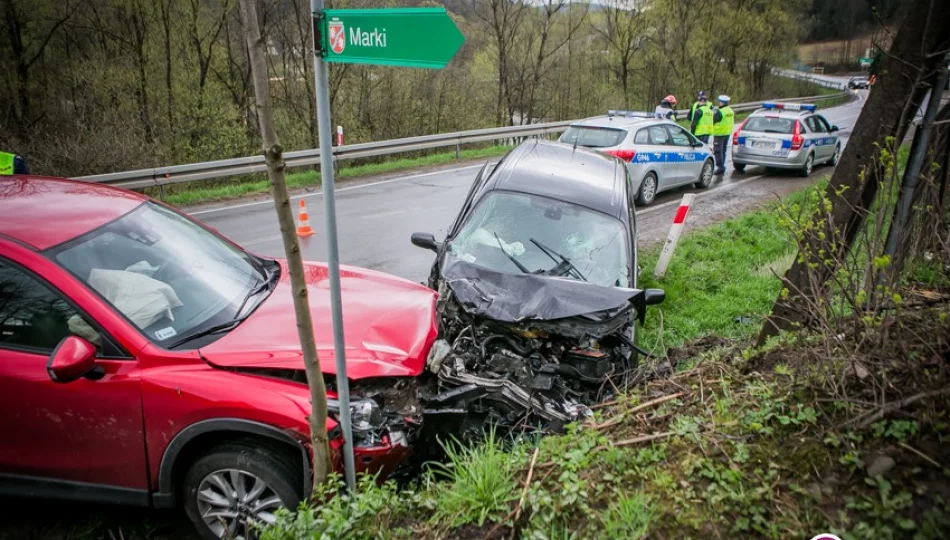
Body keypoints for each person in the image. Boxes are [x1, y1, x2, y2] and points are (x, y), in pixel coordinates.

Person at [711, 95, 734, 175]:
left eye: (719, 102)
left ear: (722, 102)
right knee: (723, 150)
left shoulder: (720, 112)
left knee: (717, 151)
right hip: (727, 133)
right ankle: (722, 166)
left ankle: (720, 167)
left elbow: (713, 120)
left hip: (719, 133)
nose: (719, 103)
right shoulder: (730, 110)